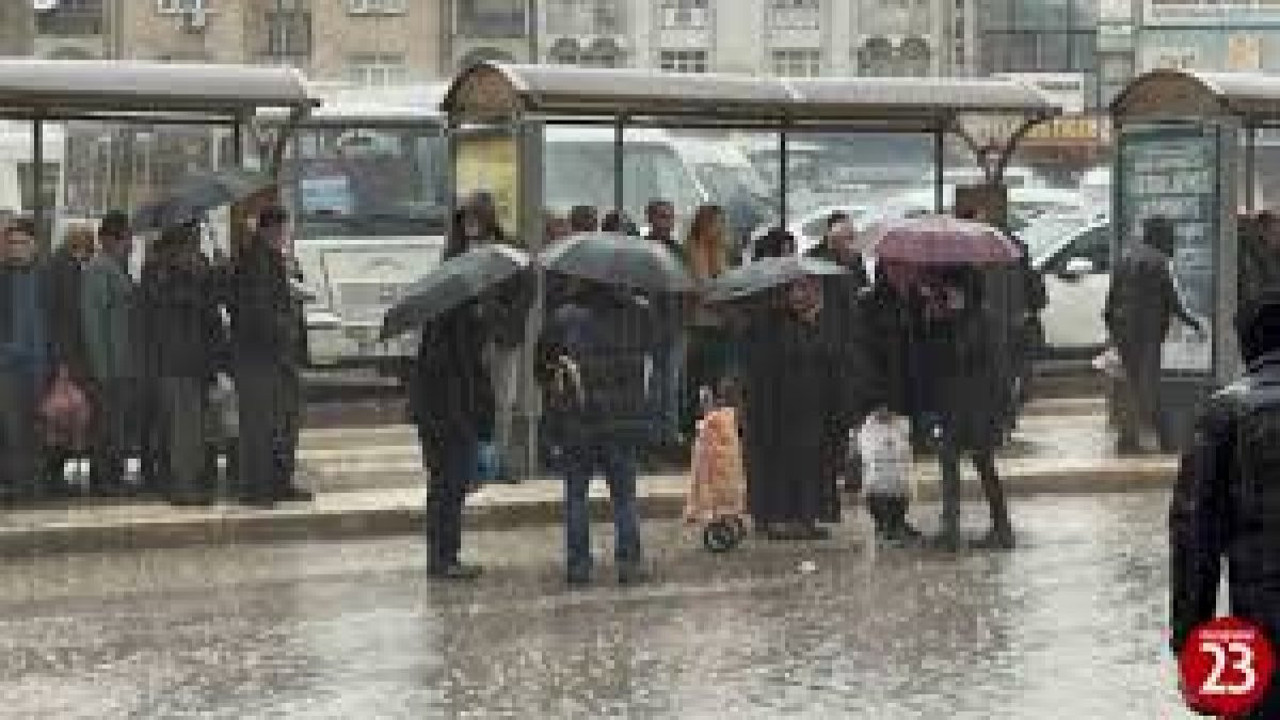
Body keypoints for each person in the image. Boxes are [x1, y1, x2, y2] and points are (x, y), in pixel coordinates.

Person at [1169, 289, 1280, 718]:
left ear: (1245, 345)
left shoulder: (1225, 414)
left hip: (1259, 627)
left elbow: (1193, 539)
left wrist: (1189, 644)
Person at [536, 279, 655, 586]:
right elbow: (656, 351)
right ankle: (629, 564)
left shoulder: (564, 318)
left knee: (576, 496)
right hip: (622, 422)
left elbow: (542, 368)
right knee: (624, 498)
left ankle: (579, 566)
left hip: (579, 422)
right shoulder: (638, 315)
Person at [907, 267, 1014, 551]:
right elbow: (937, 360)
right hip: (951, 405)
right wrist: (935, 324)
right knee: (948, 464)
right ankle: (950, 527)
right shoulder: (945, 319)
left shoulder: (984, 320)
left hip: (979, 407)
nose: (950, 296)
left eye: (955, 290)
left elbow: (997, 367)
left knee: (984, 465)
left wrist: (1002, 412)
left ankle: (1002, 526)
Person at [741, 276, 841, 540]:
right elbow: (793, 358)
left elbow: (827, 358)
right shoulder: (773, 324)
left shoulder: (808, 322)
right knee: (782, 463)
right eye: (800, 289)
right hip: (778, 409)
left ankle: (800, 518)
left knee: (805, 463)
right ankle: (779, 519)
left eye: (810, 290)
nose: (804, 296)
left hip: (805, 406)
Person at [408, 290, 498, 579]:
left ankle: (443, 556)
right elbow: (458, 382)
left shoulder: (441, 329)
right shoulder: (453, 335)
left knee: (444, 489)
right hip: (449, 422)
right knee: (448, 489)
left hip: (440, 420)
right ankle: (444, 558)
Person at [229, 206, 312, 507]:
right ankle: (257, 489)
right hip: (259, 356)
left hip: (276, 357)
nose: (284, 236)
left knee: (283, 422)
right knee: (260, 426)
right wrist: (284, 327)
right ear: (269, 230)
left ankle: (278, 483)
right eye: (281, 231)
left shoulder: (272, 260)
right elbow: (257, 311)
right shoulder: (255, 262)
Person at [138, 225, 224, 506]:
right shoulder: (159, 272)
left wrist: (216, 275)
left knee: (191, 426)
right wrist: (193, 280)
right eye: (191, 241)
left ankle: (182, 481)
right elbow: (168, 306)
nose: (195, 247)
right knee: (182, 428)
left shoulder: (195, 269)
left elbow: (210, 311)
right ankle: (182, 485)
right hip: (176, 361)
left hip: (193, 360)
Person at [1104, 216, 1204, 454]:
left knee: (1132, 384)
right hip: (1146, 334)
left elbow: (1110, 301)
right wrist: (1195, 324)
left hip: (1124, 332)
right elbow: (1173, 302)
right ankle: (1166, 440)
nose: (1172, 241)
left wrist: (1114, 332)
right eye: (1169, 235)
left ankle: (1129, 439)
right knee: (1149, 386)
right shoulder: (1159, 262)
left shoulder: (1124, 258)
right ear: (1160, 236)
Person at [804, 215, 879, 495]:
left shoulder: (853, 261)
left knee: (847, 412)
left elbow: (859, 292)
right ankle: (826, 469)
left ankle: (844, 466)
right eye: (847, 240)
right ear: (832, 241)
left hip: (849, 347)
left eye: (853, 240)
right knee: (825, 413)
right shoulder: (813, 261)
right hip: (822, 347)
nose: (852, 246)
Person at [81, 211, 136, 497]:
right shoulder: (99, 269)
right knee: (106, 425)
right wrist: (103, 369)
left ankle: (111, 476)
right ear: (114, 239)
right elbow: (94, 323)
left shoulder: (115, 267)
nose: (131, 244)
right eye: (128, 238)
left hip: (120, 365)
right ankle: (105, 479)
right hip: (110, 368)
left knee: (115, 425)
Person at [0, 219, 51, 501]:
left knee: (38, 427)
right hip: (7, 366)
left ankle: (36, 484)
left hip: (40, 364)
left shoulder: (44, 276)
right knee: (13, 427)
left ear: (35, 246)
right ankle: (20, 486)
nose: (15, 248)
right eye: (11, 243)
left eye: (22, 242)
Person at [43, 224, 95, 496]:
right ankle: (52, 476)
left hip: (65, 354)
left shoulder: (61, 266)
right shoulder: (65, 269)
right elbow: (67, 317)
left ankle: (53, 475)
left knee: (65, 417)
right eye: (90, 244)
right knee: (63, 417)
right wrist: (64, 361)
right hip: (67, 357)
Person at [643, 198, 689, 462]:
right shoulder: (645, 249)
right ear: (650, 219)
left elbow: (686, 287)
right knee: (653, 387)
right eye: (661, 216)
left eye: (670, 217)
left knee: (671, 386)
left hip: (675, 327)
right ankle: (651, 439)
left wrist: (682, 319)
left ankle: (669, 439)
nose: (667, 222)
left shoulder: (677, 251)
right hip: (650, 327)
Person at [683, 205, 733, 430]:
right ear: (704, 224)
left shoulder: (720, 250)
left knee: (716, 377)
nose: (720, 228)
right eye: (716, 223)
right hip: (699, 323)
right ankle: (693, 425)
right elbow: (701, 286)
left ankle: (715, 425)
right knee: (696, 378)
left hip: (720, 322)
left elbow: (726, 280)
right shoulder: (693, 250)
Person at [1238, 211, 1280, 315]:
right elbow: (1252, 292)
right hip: (1254, 312)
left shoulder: (1272, 252)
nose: (1278, 239)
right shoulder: (1248, 251)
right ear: (1261, 231)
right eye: (1275, 233)